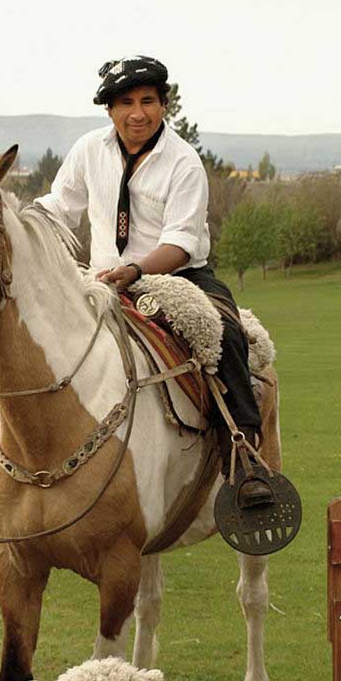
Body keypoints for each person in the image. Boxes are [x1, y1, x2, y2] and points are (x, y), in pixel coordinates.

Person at [36, 56, 269, 504]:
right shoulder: (89, 150)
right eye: (125, 102)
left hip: (177, 275)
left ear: (165, 105)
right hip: (102, 279)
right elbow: (58, 210)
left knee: (226, 332)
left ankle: (244, 456)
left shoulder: (184, 162)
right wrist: (17, 223)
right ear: (109, 109)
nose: (137, 112)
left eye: (148, 101)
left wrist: (136, 271)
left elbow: (180, 244)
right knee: (34, 335)